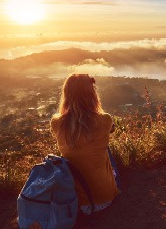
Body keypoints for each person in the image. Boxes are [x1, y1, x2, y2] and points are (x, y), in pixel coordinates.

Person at [50, 73, 119, 216]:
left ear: (66, 95)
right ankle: (112, 180)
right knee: (105, 147)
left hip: (76, 202)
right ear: (92, 94)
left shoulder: (57, 123)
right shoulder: (105, 120)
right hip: (105, 198)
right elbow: (110, 129)